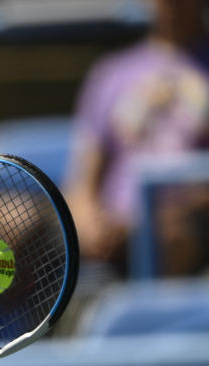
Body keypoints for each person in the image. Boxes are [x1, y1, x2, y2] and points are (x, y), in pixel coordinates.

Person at [65, 0, 209, 276]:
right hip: (115, 229)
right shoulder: (111, 72)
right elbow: (82, 183)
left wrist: (154, 221)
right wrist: (89, 222)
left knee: (172, 235)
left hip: (185, 229)